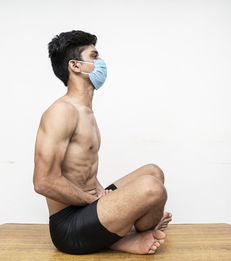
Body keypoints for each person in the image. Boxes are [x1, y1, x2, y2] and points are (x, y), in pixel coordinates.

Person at [33, 30, 172, 255]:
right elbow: (43, 182)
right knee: (152, 188)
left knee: (153, 172)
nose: (101, 62)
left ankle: (130, 233)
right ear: (75, 66)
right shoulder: (61, 112)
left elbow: (82, 168)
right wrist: (93, 200)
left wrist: (101, 192)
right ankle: (124, 238)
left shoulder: (85, 111)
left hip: (89, 208)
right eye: (94, 56)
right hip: (69, 227)